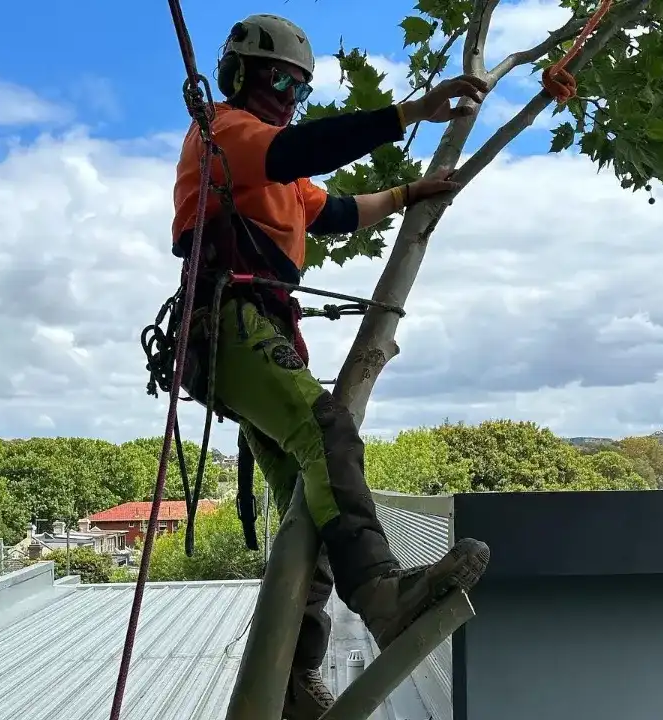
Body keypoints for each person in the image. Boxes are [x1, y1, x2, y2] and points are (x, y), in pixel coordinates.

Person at [170, 13, 491, 720]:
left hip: (254, 328)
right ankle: (381, 592)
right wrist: (412, 111)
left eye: (298, 87)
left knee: (308, 507)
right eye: (277, 80)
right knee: (329, 432)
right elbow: (306, 149)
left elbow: (338, 211)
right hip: (229, 324)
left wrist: (408, 195)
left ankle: (290, 673)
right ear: (238, 77)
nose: (288, 95)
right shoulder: (225, 133)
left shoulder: (278, 175)